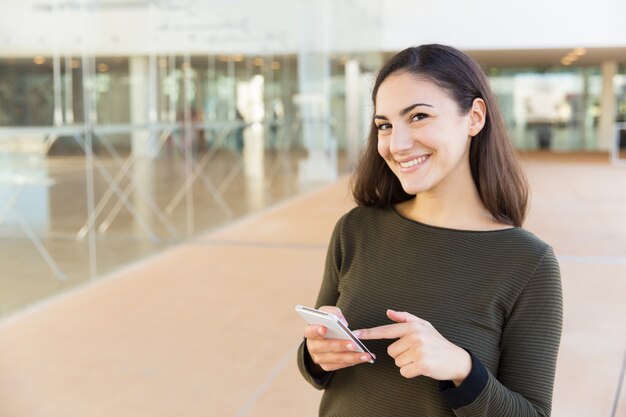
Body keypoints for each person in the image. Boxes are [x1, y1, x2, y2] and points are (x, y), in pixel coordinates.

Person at [297, 44, 563, 417]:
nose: (397, 144)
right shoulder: (355, 230)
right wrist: (316, 354)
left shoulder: (528, 263)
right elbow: (319, 374)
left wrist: (462, 369)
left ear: (474, 117)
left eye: (419, 116)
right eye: (385, 125)